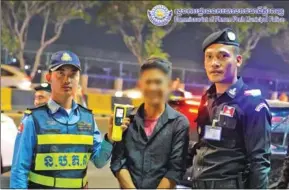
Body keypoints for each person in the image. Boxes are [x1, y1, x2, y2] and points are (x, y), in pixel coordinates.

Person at [10, 50, 127, 189]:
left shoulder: (88, 118)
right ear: (48, 77)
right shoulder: (33, 120)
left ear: (78, 78)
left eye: (73, 74)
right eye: (60, 73)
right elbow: (19, 171)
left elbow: (99, 161)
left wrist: (110, 138)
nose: (67, 80)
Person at [189, 28, 271, 189]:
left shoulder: (252, 103)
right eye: (209, 57)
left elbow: (259, 162)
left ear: (238, 60)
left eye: (223, 56)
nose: (215, 63)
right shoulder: (207, 98)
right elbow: (201, 145)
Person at [110, 57, 190, 189]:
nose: (152, 87)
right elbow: (118, 162)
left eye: (158, 82)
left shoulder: (179, 123)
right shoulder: (126, 120)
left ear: (169, 85)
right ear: (140, 84)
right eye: (148, 82)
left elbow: (175, 170)